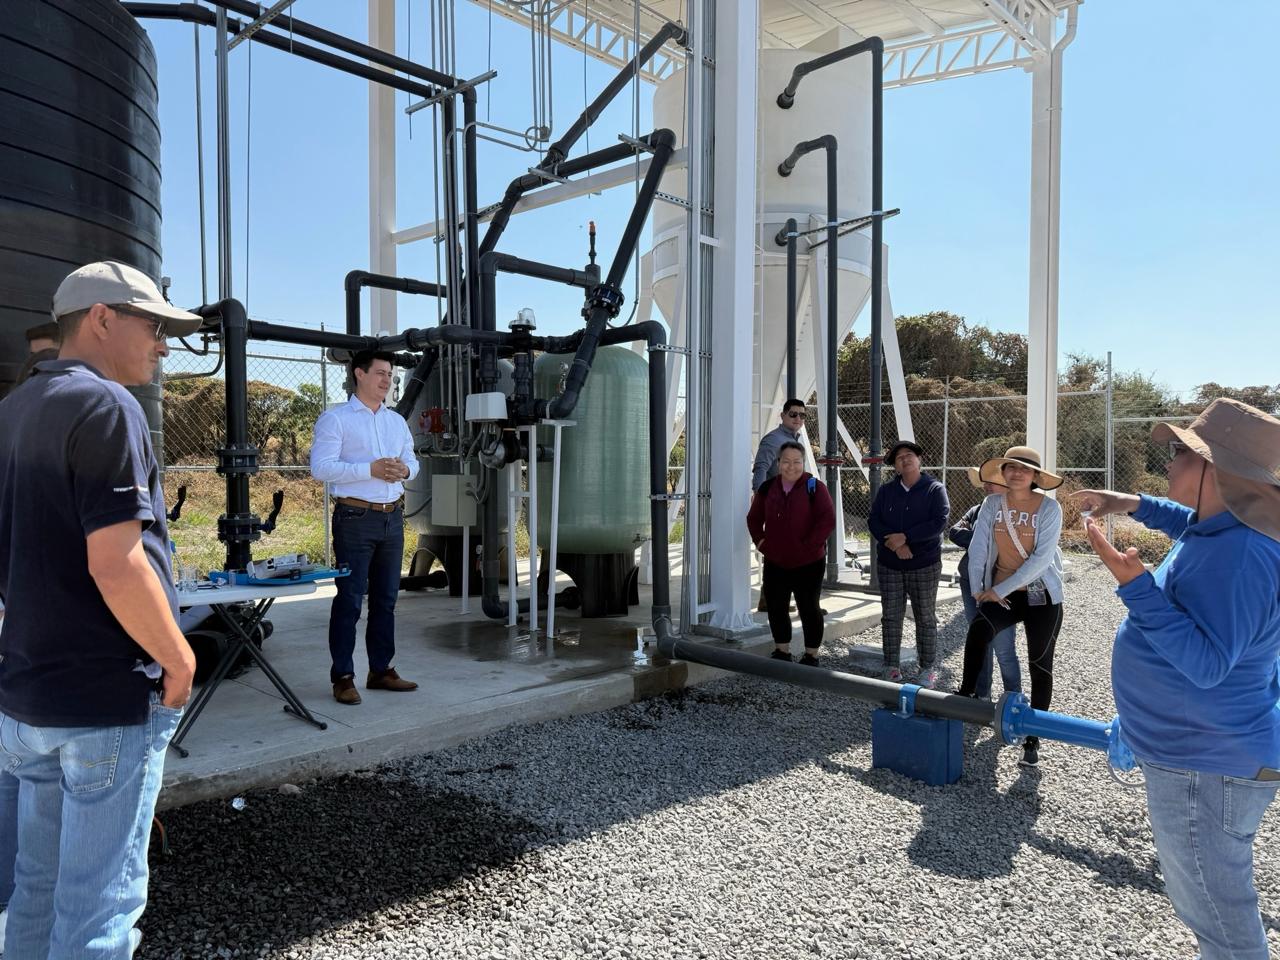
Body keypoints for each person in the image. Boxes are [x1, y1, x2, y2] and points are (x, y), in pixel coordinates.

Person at [0, 260, 200, 956]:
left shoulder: (13, 409)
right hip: (102, 699)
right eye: (154, 325)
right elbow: (115, 563)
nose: (164, 344)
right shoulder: (107, 407)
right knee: (99, 909)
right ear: (103, 318)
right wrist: (178, 656)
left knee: (35, 886)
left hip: (28, 699)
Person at [1071, 398, 1280, 960]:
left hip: (1205, 768)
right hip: (1204, 756)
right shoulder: (1226, 526)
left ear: (1218, 470)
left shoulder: (1238, 556)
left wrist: (1135, 585)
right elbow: (1184, 519)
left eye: (1180, 454)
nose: (1169, 463)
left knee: (1219, 917)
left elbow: (1208, 666)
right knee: (1213, 907)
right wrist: (1130, 503)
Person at [311, 349, 420, 705]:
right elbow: (322, 468)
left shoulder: (396, 422)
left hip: (392, 517)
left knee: (387, 600)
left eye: (390, 374)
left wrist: (404, 471)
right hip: (355, 519)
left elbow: (413, 462)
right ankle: (343, 676)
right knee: (350, 599)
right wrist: (368, 470)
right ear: (359, 374)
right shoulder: (336, 419)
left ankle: (381, 670)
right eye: (380, 373)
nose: (387, 380)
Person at [955, 445, 1064, 766]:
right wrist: (979, 590)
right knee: (978, 631)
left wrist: (998, 588)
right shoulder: (991, 504)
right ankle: (964, 696)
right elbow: (978, 548)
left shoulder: (1049, 509)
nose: (1017, 473)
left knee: (1040, 664)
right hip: (1002, 593)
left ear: (1035, 477)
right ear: (1002, 472)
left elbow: (1042, 561)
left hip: (1040, 594)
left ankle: (1033, 737)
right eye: (1010, 467)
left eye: (1025, 469)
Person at [867, 440, 950, 687]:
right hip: (890, 563)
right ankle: (891, 665)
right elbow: (874, 521)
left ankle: (927, 668)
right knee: (891, 616)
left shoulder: (934, 489)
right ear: (895, 466)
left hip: (924, 563)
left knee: (925, 616)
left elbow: (939, 521)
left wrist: (907, 538)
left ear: (919, 459)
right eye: (899, 457)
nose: (905, 459)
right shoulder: (886, 491)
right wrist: (896, 544)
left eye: (909, 455)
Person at [747, 441, 836, 665]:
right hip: (776, 561)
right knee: (777, 607)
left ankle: (811, 654)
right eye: (786, 461)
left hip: (809, 562)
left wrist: (808, 546)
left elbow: (827, 520)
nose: (791, 466)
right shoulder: (768, 488)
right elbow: (754, 519)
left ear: (803, 463)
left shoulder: (814, 487)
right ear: (778, 463)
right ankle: (782, 651)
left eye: (796, 462)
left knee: (809, 608)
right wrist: (761, 542)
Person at [948, 467, 1021, 698]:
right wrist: (984, 540)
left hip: (1001, 585)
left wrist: (982, 542)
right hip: (970, 581)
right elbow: (954, 531)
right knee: (978, 640)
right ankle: (981, 695)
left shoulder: (1018, 513)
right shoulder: (977, 509)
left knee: (1004, 647)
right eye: (985, 482)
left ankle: (1014, 699)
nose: (986, 486)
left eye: (992, 481)